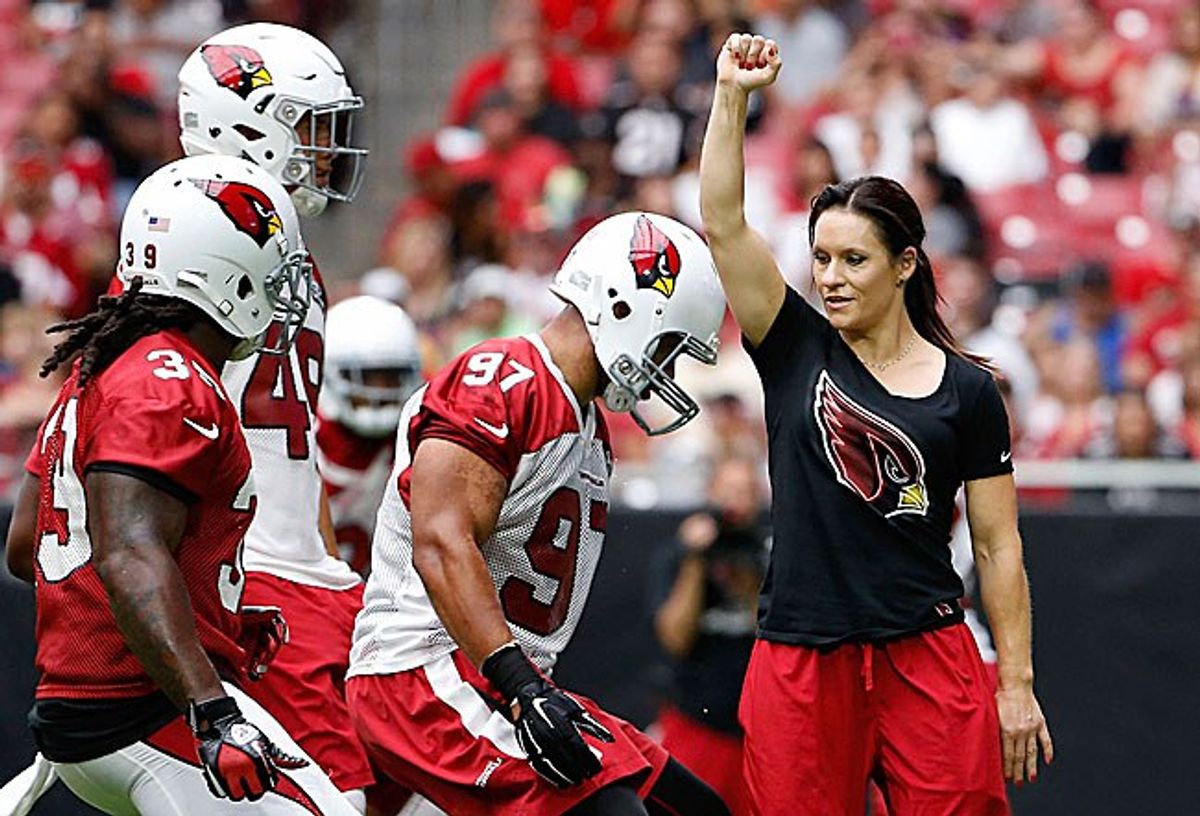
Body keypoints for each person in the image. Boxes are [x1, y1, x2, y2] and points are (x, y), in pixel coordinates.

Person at [700, 33, 1053, 815]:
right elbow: (723, 223)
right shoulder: (792, 345)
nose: (830, 277)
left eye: (854, 260)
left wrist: (1017, 684)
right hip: (800, 654)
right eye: (822, 258)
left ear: (904, 265)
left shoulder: (970, 391)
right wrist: (731, 96)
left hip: (928, 655)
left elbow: (998, 546)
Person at [3, 154, 357, 814]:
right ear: (220, 270)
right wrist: (210, 709)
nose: (282, 288)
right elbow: (128, 553)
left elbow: (30, 547)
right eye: (269, 265)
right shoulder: (168, 380)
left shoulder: (108, 368)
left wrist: (203, 613)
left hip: (88, 708)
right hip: (141, 712)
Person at [346, 212, 732, 816]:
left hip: (505, 682)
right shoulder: (503, 378)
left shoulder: (588, 427)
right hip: (426, 669)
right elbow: (443, 542)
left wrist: (526, 687)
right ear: (624, 309)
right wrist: (520, 687)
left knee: (695, 808)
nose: (668, 372)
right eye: (669, 347)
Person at [175, 22, 376, 811]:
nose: (325, 151)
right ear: (242, 121)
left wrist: (333, 565)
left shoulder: (282, 239)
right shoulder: (188, 235)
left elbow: (297, 455)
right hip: (253, 578)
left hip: (308, 572)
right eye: (308, 125)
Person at [650, 455, 769, 815]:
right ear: (710, 492)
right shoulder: (679, 554)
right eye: (730, 490)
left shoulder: (770, 549)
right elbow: (674, 639)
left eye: (747, 491)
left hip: (761, 731)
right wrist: (695, 561)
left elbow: (777, 630)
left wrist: (753, 584)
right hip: (699, 722)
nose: (738, 502)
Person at [317, 295, 425, 576]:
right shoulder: (303, 444)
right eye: (365, 378)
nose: (378, 393)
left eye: (390, 378)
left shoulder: (419, 441)